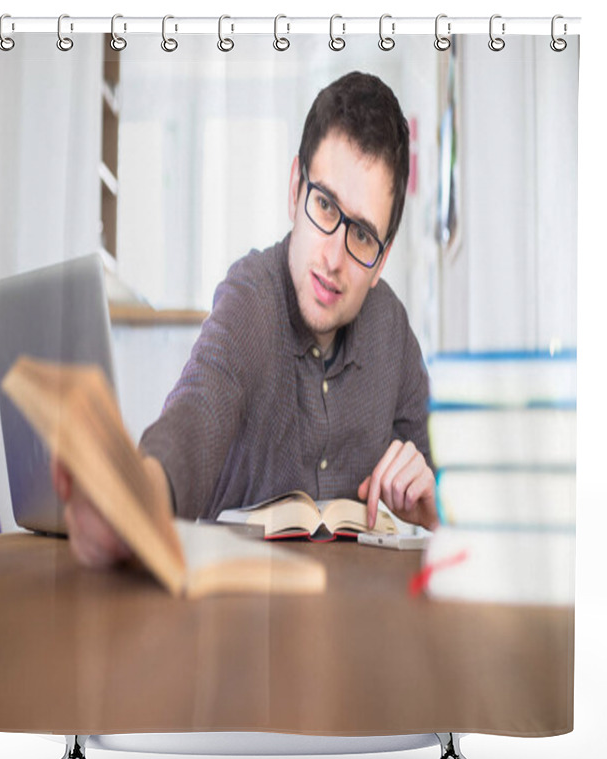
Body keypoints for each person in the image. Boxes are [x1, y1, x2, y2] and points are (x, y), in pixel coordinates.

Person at [53, 71, 438, 569]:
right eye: (324, 205)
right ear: (295, 188)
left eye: (362, 234)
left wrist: (436, 507)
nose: (334, 258)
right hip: (231, 618)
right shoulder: (252, 294)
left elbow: (457, 493)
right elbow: (198, 409)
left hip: (353, 621)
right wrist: (135, 498)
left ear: (382, 260)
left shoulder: (393, 332)